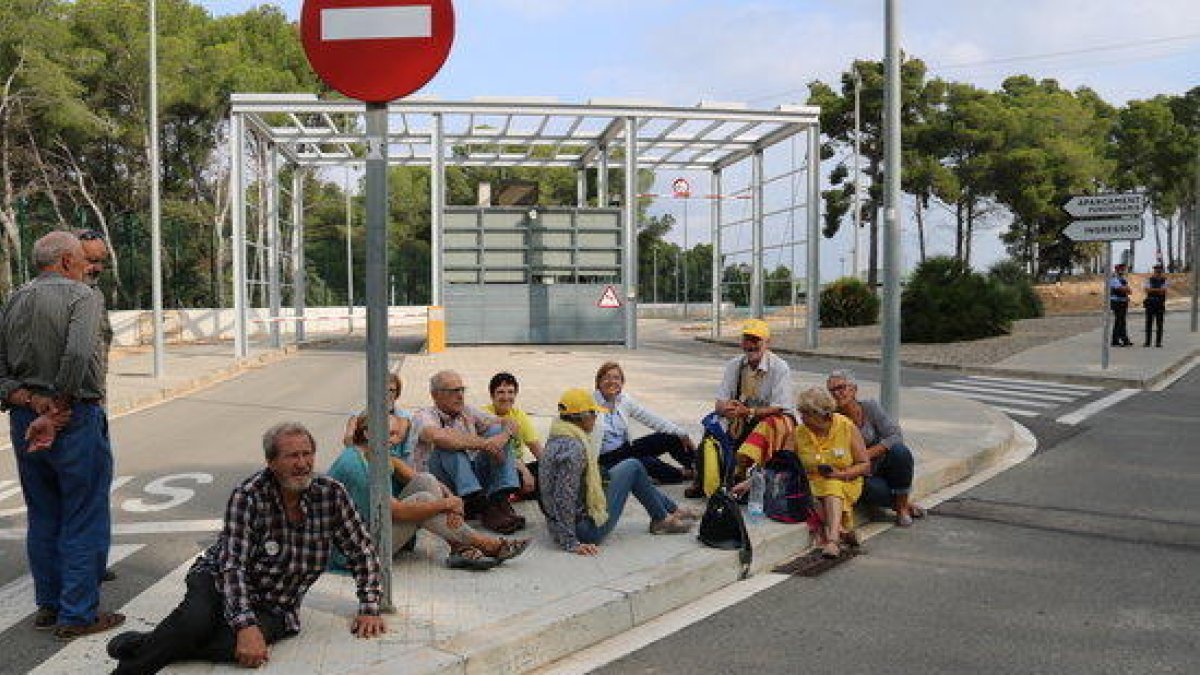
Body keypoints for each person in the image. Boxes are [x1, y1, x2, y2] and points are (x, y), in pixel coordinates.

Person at [106, 422, 386, 673]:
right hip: (218, 579)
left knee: (241, 648)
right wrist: (245, 623)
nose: (303, 463)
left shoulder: (332, 494)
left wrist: (369, 605)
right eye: (292, 456)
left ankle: (150, 642)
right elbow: (232, 566)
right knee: (195, 622)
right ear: (271, 462)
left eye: (307, 454)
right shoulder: (248, 495)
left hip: (276, 602)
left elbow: (360, 549)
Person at [0, 231, 123, 639]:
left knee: (44, 513)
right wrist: (56, 409)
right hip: (72, 418)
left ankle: (49, 606)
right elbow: (77, 354)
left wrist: (27, 400)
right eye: (86, 262)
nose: (91, 268)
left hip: (23, 418)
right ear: (69, 262)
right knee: (83, 514)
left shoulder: (14, 299)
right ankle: (78, 614)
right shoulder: (82, 297)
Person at [329, 413, 529, 571]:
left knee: (427, 480)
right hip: (355, 553)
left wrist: (451, 499)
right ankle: (487, 544)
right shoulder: (359, 467)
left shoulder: (371, 452)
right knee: (423, 500)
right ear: (367, 433)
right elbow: (398, 512)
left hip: (367, 531)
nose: (393, 441)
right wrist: (445, 505)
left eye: (395, 434)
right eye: (388, 434)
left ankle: (460, 546)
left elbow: (413, 475)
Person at [539, 389, 696, 556]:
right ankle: (662, 518)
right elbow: (564, 497)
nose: (596, 419)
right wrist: (570, 543)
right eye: (594, 414)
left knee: (631, 467)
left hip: (571, 518)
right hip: (584, 531)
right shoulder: (574, 449)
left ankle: (668, 511)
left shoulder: (558, 435)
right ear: (582, 416)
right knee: (633, 466)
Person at [412, 370, 525, 534]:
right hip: (442, 485)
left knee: (496, 431)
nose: (460, 396)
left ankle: (498, 499)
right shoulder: (424, 415)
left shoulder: (467, 411)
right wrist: (485, 444)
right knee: (448, 446)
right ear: (435, 395)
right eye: (453, 391)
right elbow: (440, 437)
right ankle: (480, 506)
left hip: (470, 478)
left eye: (462, 390)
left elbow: (508, 422)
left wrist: (502, 436)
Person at [691, 319, 795, 497]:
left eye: (756, 340)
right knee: (713, 424)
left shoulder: (779, 367)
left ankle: (743, 475)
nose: (750, 345)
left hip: (772, 419)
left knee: (768, 424)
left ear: (767, 343)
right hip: (743, 416)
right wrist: (728, 408)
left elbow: (779, 407)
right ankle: (704, 478)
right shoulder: (735, 365)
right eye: (747, 339)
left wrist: (748, 412)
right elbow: (719, 403)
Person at [775, 387, 869, 559]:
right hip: (810, 483)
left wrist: (840, 474)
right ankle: (843, 533)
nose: (802, 418)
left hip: (845, 481)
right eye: (801, 413)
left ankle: (832, 541)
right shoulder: (799, 432)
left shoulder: (846, 426)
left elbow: (864, 465)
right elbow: (782, 463)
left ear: (822, 415)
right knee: (807, 493)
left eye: (807, 414)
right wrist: (752, 481)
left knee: (831, 486)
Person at [826, 370, 924, 526]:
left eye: (841, 388)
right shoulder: (832, 419)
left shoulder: (870, 407)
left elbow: (895, 435)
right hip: (861, 473)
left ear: (853, 389)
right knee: (868, 488)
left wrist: (866, 454)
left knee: (901, 452)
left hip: (883, 464)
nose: (837, 393)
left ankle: (902, 509)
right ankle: (901, 505)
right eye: (832, 390)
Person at [592, 361, 696, 485]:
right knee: (646, 462)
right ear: (598, 382)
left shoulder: (624, 401)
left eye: (616, 378)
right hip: (605, 459)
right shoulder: (589, 405)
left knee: (671, 437)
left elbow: (652, 419)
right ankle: (684, 474)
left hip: (625, 449)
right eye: (607, 377)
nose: (612, 381)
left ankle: (700, 467)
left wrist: (682, 433)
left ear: (622, 383)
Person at [483, 372, 544, 497]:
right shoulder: (484, 415)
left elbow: (537, 449)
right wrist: (525, 471)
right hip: (495, 467)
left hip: (517, 468)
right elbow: (500, 453)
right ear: (492, 395)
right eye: (500, 392)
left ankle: (515, 493)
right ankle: (509, 494)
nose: (506, 397)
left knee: (547, 470)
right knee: (522, 478)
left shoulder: (519, 415)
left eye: (510, 392)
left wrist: (553, 471)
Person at [341, 371, 414, 452]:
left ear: (397, 393)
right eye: (383, 390)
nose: (387, 394)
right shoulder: (358, 416)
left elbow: (398, 439)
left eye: (391, 390)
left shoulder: (405, 416)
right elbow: (347, 440)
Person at [1143, 263, 1168, 348]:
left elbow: (1163, 291)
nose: (1158, 271)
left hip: (1160, 304)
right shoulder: (1149, 279)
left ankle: (1158, 342)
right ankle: (1147, 342)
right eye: (1156, 269)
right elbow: (1147, 290)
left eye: (1159, 270)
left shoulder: (1165, 280)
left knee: (1159, 324)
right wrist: (1158, 290)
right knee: (1148, 324)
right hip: (1150, 303)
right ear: (1154, 270)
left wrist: (1152, 290)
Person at [1109, 263, 1133, 347]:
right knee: (1119, 321)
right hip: (1116, 302)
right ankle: (1120, 339)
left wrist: (1126, 290)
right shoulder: (1114, 279)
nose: (1122, 271)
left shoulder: (1122, 279)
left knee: (1121, 321)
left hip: (1123, 301)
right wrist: (1125, 289)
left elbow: (1129, 291)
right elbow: (1120, 289)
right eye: (1121, 269)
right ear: (1116, 270)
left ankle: (1120, 339)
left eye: (1123, 269)